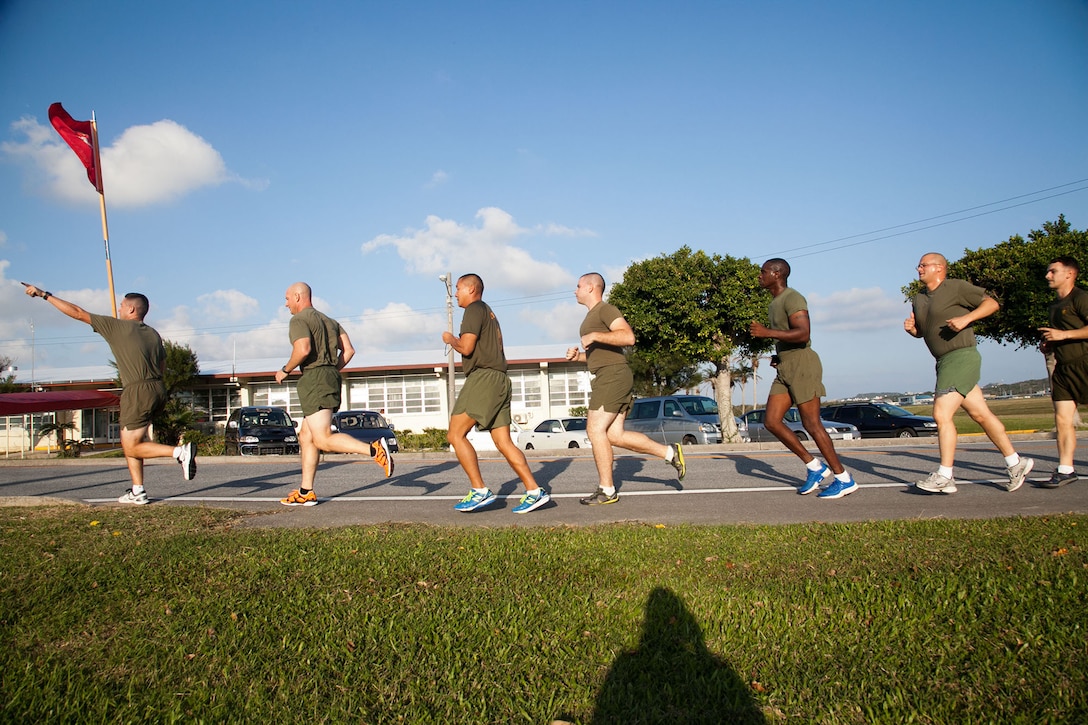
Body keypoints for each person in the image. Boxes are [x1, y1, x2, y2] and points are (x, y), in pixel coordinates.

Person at [22, 283, 195, 504]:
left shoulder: (117, 327)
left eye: (122, 306)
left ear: (131, 310)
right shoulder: (153, 334)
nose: (119, 309)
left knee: (132, 445)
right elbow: (162, 365)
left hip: (137, 389)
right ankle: (138, 491)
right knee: (132, 442)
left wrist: (44, 295)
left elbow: (77, 313)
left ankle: (180, 453)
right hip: (157, 388)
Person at [904, 253, 1033, 494]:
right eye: (918, 264)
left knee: (941, 415)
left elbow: (992, 304)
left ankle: (945, 475)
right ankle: (1016, 463)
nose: (919, 268)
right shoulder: (919, 298)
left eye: (924, 265)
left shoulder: (956, 287)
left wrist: (967, 318)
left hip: (961, 356)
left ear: (940, 268)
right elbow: (925, 331)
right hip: (943, 361)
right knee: (981, 414)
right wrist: (913, 330)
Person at [567, 272, 685, 505]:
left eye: (578, 286)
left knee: (594, 430)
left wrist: (594, 335)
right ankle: (670, 453)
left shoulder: (605, 309)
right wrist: (579, 357)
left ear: (591, 288)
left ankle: (607, 490)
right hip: (609, 374)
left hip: (613, 377)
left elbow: (628, 337)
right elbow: (601, 354)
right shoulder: (592, 316)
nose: (575, 290)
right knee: (614, 435)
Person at [275, 282, 393, 506]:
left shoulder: (299, 320)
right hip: (327, 376)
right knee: (306, 436)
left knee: (322, 438)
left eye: (288, 298)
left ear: (299, 297)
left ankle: (373, 449)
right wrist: (330, 370)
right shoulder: (330, 321)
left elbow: (303, 349)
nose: (286, 303)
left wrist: (285, 370)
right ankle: (306, 491)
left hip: (315, 378)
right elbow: (348, 350)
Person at [748, 259, 858, 499]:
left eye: (763, 272)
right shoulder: (774, 302)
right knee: (772, 422)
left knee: (812, 424)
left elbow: (803, 333)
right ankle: (814, 467)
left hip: (803, 365)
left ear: (777, 274)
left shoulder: (792, 298)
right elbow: (789, 336)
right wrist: (779, 355)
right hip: (786, 366)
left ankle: (843, 478)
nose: (760, 276)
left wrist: (767, 333)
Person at [443, 274, 550, 514]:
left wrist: (451, 339)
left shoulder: (473, 309)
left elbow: (467, 346)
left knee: (455, 434)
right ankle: (535, 491)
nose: (455, 294)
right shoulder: (488, 311)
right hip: (501, 378)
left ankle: (479, 490)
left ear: (471, 289)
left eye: (458, 288)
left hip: (484, 378)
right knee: (503, 441)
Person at [1037, 256, 1088, 488]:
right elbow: (1060, 334)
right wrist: (1049, 343)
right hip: (1063, 368)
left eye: (1053, 271)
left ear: (1069, 274)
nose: (1048, 276)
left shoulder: (1080, 298)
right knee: (1062, 419)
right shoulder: (1054, 305)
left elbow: (1069, 332)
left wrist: (1063, 335)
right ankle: (1066, 470)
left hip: (1085, 364)